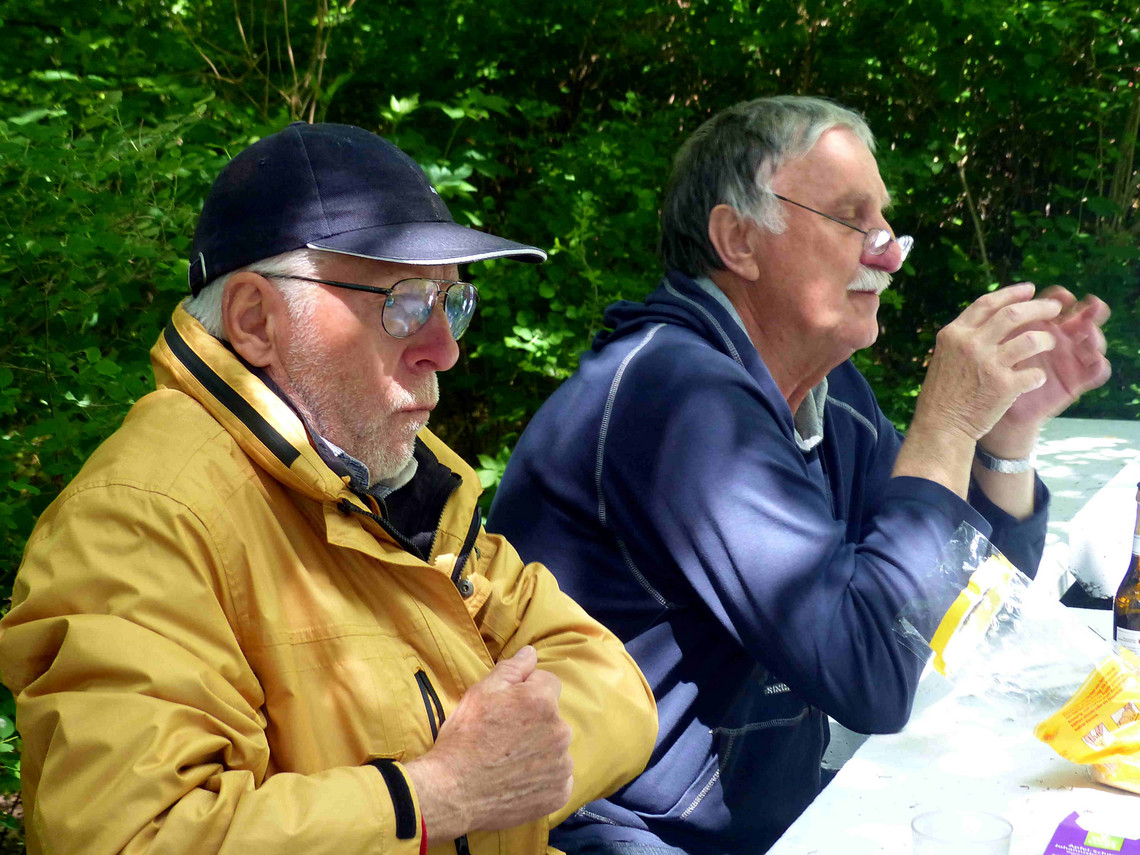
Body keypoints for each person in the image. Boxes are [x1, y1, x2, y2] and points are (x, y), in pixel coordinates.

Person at [0, 122, 657, 855]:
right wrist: (440, 793)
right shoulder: (139, 519)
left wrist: (509, 767)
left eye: (453, 302)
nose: (445, 349)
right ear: (256, 320)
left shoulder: (403, 482)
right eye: (405, 302)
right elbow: (133, 839)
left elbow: (611, 681)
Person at [487, 96, 1112, 855]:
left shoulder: (830, 394)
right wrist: (946, 425)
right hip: (613, 834)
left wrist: (1003, 438)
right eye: (853, 220)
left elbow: (965, 607)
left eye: (888, 225)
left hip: (769, 820)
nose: (889, 253)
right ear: (738, 240)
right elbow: (871, 675)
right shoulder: (676, 400)